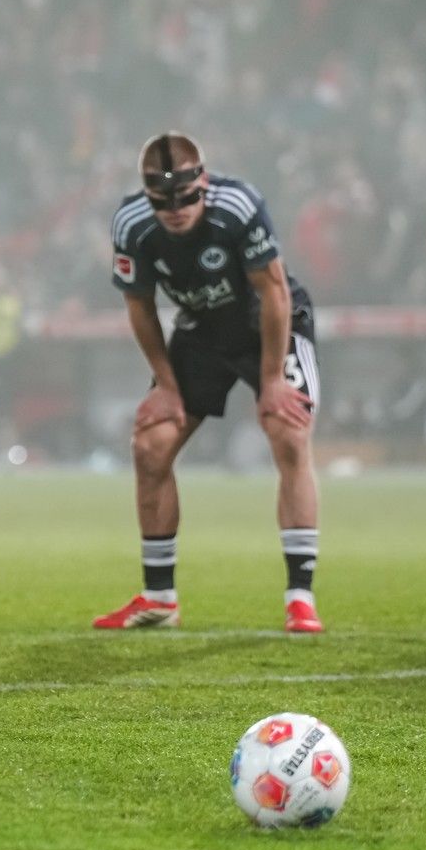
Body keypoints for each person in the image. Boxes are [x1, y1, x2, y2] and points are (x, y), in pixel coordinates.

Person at [94, 132, 323, 635]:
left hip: (269, 323)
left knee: (287, 430)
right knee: (150, 445)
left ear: (204, 183)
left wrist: (270, 380)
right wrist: (167, 386)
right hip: (201, 329)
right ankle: (159, 598)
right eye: (163, 202)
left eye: (187, 199)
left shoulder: (239, 206)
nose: (176, 211)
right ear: (147, 194)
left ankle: (299, 598)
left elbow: (276, 292)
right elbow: (140, 306)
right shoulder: (131, 225)